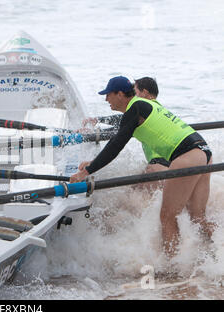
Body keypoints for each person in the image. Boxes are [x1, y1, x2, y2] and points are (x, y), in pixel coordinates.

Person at [70, 76, 213, 258]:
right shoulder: (146, 105)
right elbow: (118, 137)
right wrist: (94, 162)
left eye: (108, 95)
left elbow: (116, 144)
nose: (106, 100)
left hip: (187, 157)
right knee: (198, 217)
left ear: (120, 94)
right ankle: (217, 253)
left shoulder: (135, 108)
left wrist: (86, 172)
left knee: (168, 216)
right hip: (203, 151)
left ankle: (173, 268)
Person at [82, 77, 169, 189]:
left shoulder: (142, 109)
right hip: (170, 162)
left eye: (135, 91)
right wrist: (98, 123)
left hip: (160, 164)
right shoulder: (156, 109)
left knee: (129, 201)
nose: (133, 94)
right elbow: (124, 123)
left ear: (145, 93)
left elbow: (119, 137)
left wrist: (90, 167)